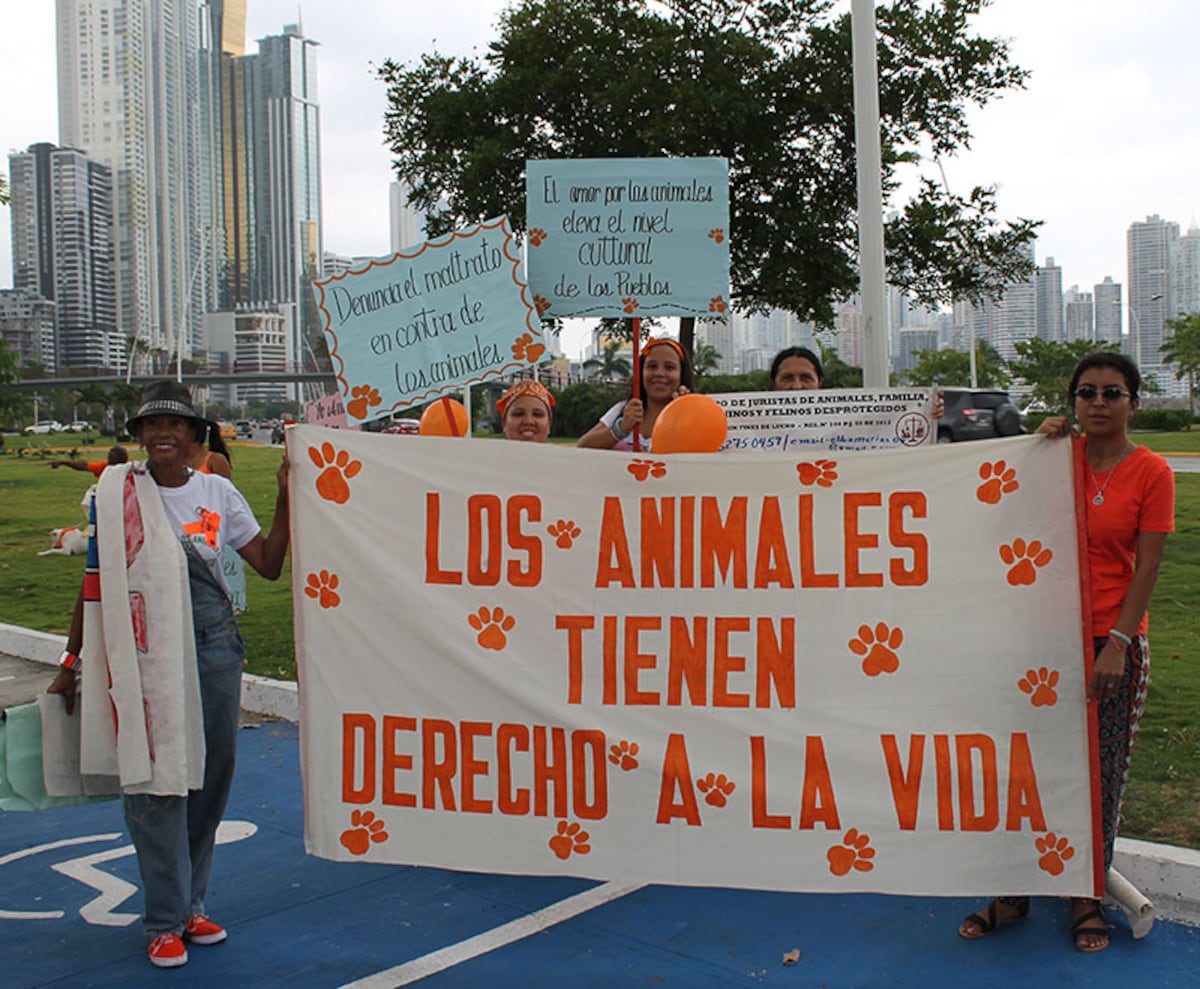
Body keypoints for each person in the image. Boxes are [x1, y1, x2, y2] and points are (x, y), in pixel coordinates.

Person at [47, 380, 291, 969]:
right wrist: (72, 660)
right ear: (138, 438)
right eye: (151, 425)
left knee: (207, 780)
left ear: (193, 436)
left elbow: (268, 563)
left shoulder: (218, 491)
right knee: (154, 782)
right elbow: (96, 582)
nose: (162, 434)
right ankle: (162, 920)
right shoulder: (114, 496)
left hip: (213, 648)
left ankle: (190, 906)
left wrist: (288, 494)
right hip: (141, 650)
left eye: (175, 425)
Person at [958, 351, 1174, 953]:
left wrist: (1119, 645)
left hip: (1111, 640)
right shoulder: (1057, 458)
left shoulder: (1151, 472)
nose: (1098, 403)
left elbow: (1149, 567)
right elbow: (999, 513)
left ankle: (1084, 893)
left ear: (1134, 401)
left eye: (1112, 393)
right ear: (1072, 401)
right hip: (1040, 637)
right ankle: (1015, 890)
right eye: (1087, 393)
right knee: (1025, 767)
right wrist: (1035, 445)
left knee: (1098, 777)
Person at [578, 337, 693, 451]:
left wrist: (684, 415)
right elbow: (582, 447)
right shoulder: (622, 410)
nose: (659, 373)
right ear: (640, 372)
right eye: (652, 366)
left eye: (669, 367)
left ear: (681, 374)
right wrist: (622, 428)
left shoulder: (692, 416)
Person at [770, 344, 945, 418]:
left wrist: (927, 412)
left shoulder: (847, 419)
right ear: (774, 383)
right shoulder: (751, 427)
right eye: (787, 378)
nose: (797, 386)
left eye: (806, 378)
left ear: (819, 382)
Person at [49, 445, 130, 477]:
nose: (108, 457)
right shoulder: (105, 467)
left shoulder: (130, 470)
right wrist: (63, 462)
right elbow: (84, 466)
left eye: (111, 456)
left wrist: (63, 462)